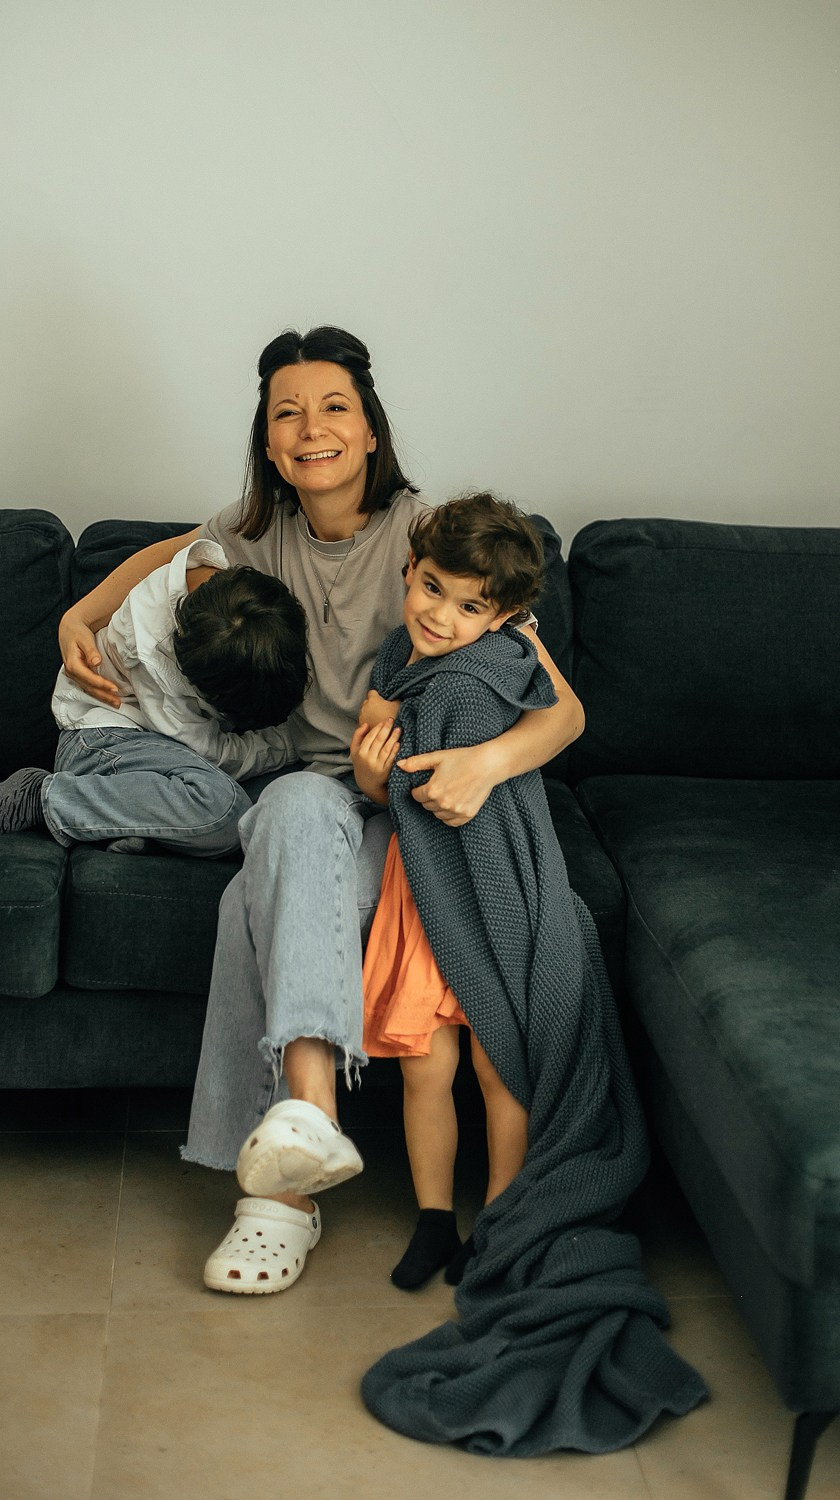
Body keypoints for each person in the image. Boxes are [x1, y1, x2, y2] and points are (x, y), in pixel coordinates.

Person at [55, 326, 583, 1295]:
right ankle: (298, 1155)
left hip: (406, 802)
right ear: (266, 441)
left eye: (333, 406)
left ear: (371, 430)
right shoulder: (247, 531)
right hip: (303, 788)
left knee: (247, 893)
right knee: (292, 809)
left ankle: (275, 1191)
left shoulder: (431, 537)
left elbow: (563, 708)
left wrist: (487, 763)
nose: (311, 428)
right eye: (285, 412)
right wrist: (77, 616)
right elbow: (165, 554)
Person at [351, 492, 551, 1290]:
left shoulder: (507, 662)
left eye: (469, 607)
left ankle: (499, 1218)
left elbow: (525, 736)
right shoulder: (399, 652)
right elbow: (382, 748)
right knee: (424, 1064)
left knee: (499, 1060)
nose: (441, 616)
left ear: (500, 617)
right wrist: (372, 779)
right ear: (412, 571)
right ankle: (435, 1218)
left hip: (489, 875)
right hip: (421, 883)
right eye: (431, 587)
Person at [0, 541, 309, 856]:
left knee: (285, 808)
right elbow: (211, 752)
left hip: (166, 750)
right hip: (102, 738)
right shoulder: (149, 651)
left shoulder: (227, 589)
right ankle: (43, 797)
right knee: (228, 814)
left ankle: (138, 822)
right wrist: (293, 742)